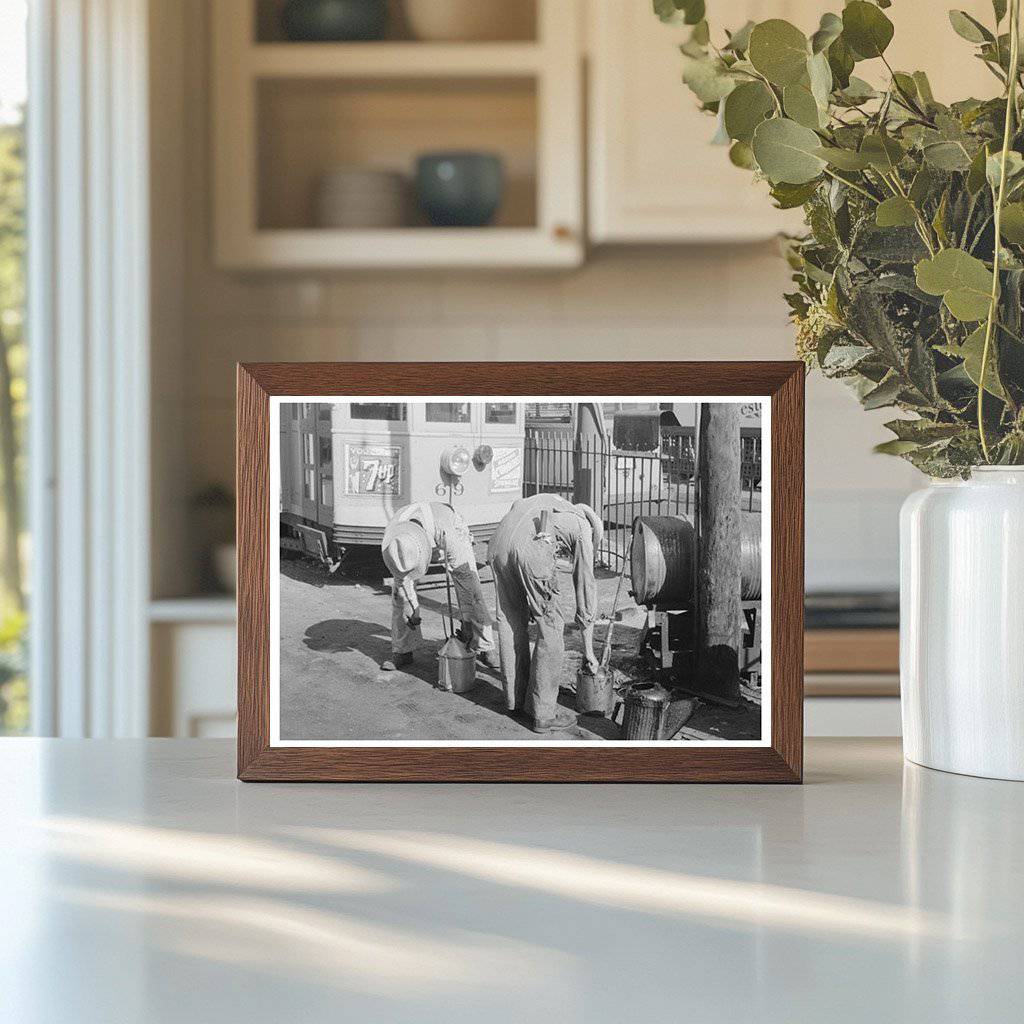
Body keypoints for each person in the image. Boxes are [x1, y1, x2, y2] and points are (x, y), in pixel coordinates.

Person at [488, 494, 602, 733]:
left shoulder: (549, 501)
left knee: (511, 621)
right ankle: (544, 714)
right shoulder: (581, 526)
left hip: (497, 543)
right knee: (551, 627)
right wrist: (589, 651)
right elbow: (585, 586)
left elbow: (514, 509)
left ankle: (514, 700)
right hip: (531, 548)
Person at [380, 501, 496, 672]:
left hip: (450, 534)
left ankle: (484, 646)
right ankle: (402, 651)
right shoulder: (394, 543)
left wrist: (467, 620)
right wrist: (410, 609)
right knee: (399, 596)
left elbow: (464, 580)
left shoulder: (446, 533)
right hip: (412, 545)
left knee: (473, 590)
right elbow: (402, 581)